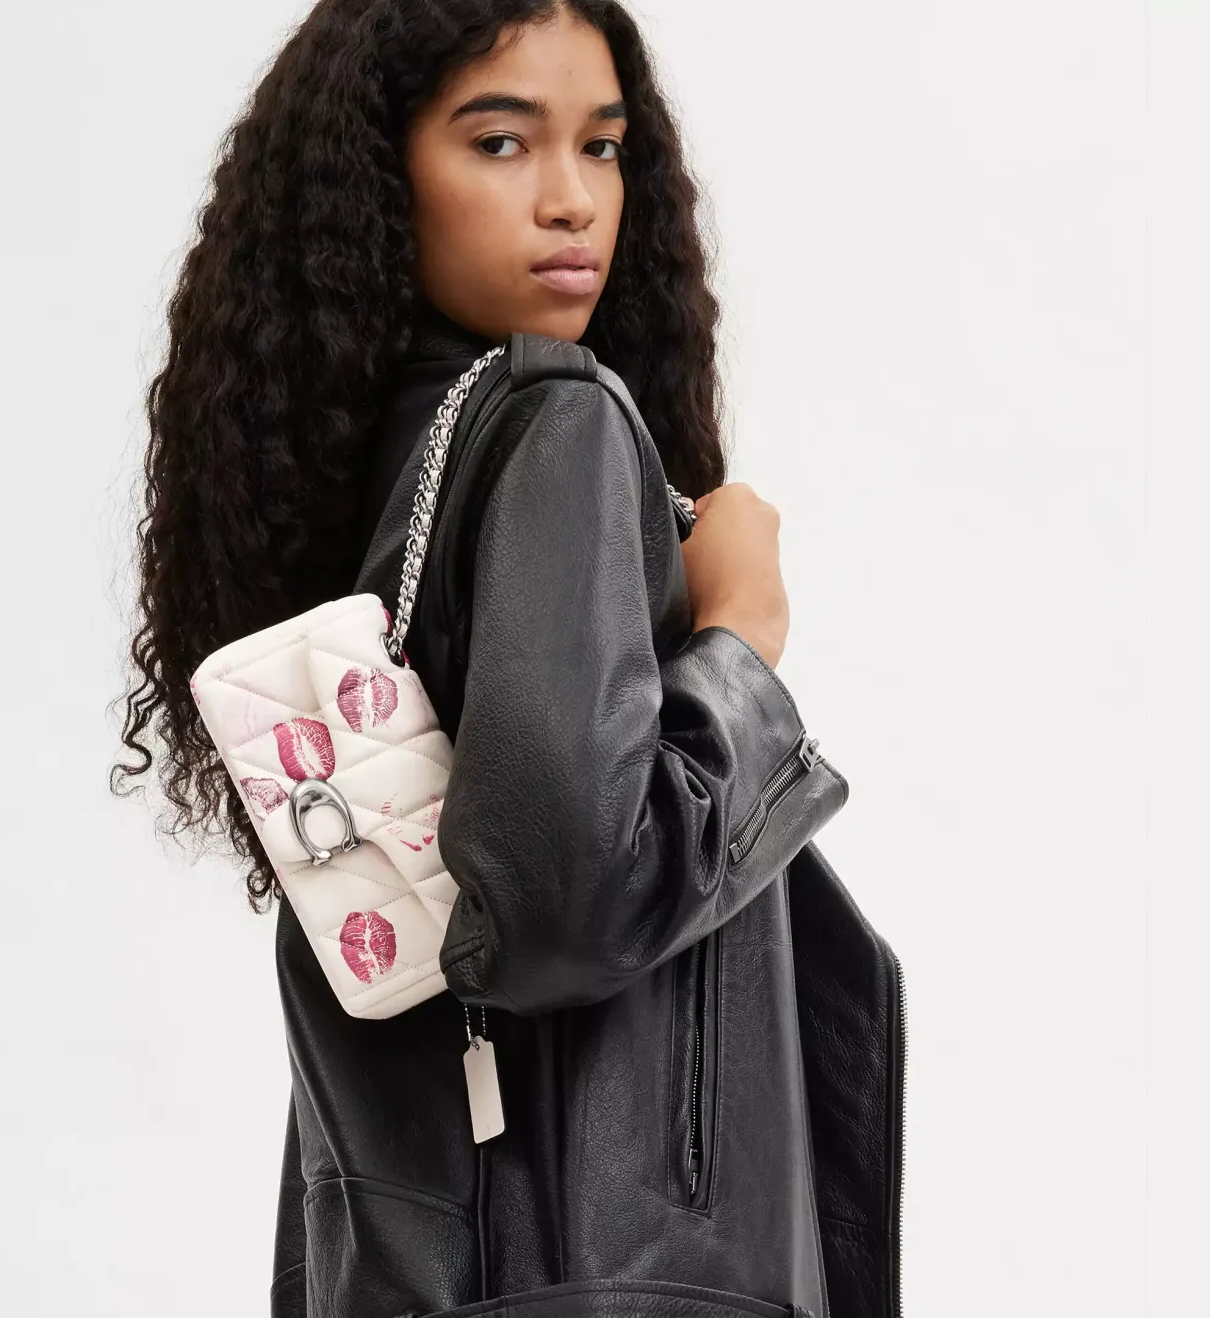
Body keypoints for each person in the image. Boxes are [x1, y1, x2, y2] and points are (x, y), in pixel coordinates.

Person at [113, 3, 881, 1316]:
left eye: (603, 146)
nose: (572, 199)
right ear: (381, 174)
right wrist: (740, 640)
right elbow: (567, 905)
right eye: (501, 142)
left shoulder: (372, 468)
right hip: (606, 1278)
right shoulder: (558, 423)